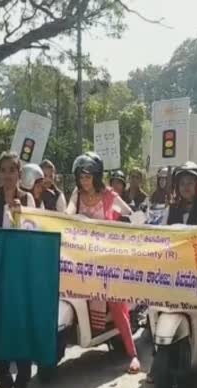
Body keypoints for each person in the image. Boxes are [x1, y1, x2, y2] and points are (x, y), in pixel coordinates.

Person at [66, 152, 140, 374]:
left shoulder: (108, 195)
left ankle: (133, 354)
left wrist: (139, 223)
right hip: (81, 259)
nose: (83, 181)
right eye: (80, 176)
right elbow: (67, 213)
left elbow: (129, 213)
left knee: (116, 303)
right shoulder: (76, 195)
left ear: (97, 176)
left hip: (107, 260)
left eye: (88, 176)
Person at [0, 152, 36, 388]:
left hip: (21, 273)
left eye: (11, 170)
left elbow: (35, 234)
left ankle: (22, 381)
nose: (7, 175)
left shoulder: (29, 199)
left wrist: (20, 215)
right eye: (3, 170)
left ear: (19, 173)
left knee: (20, 326)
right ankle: (4, 382)